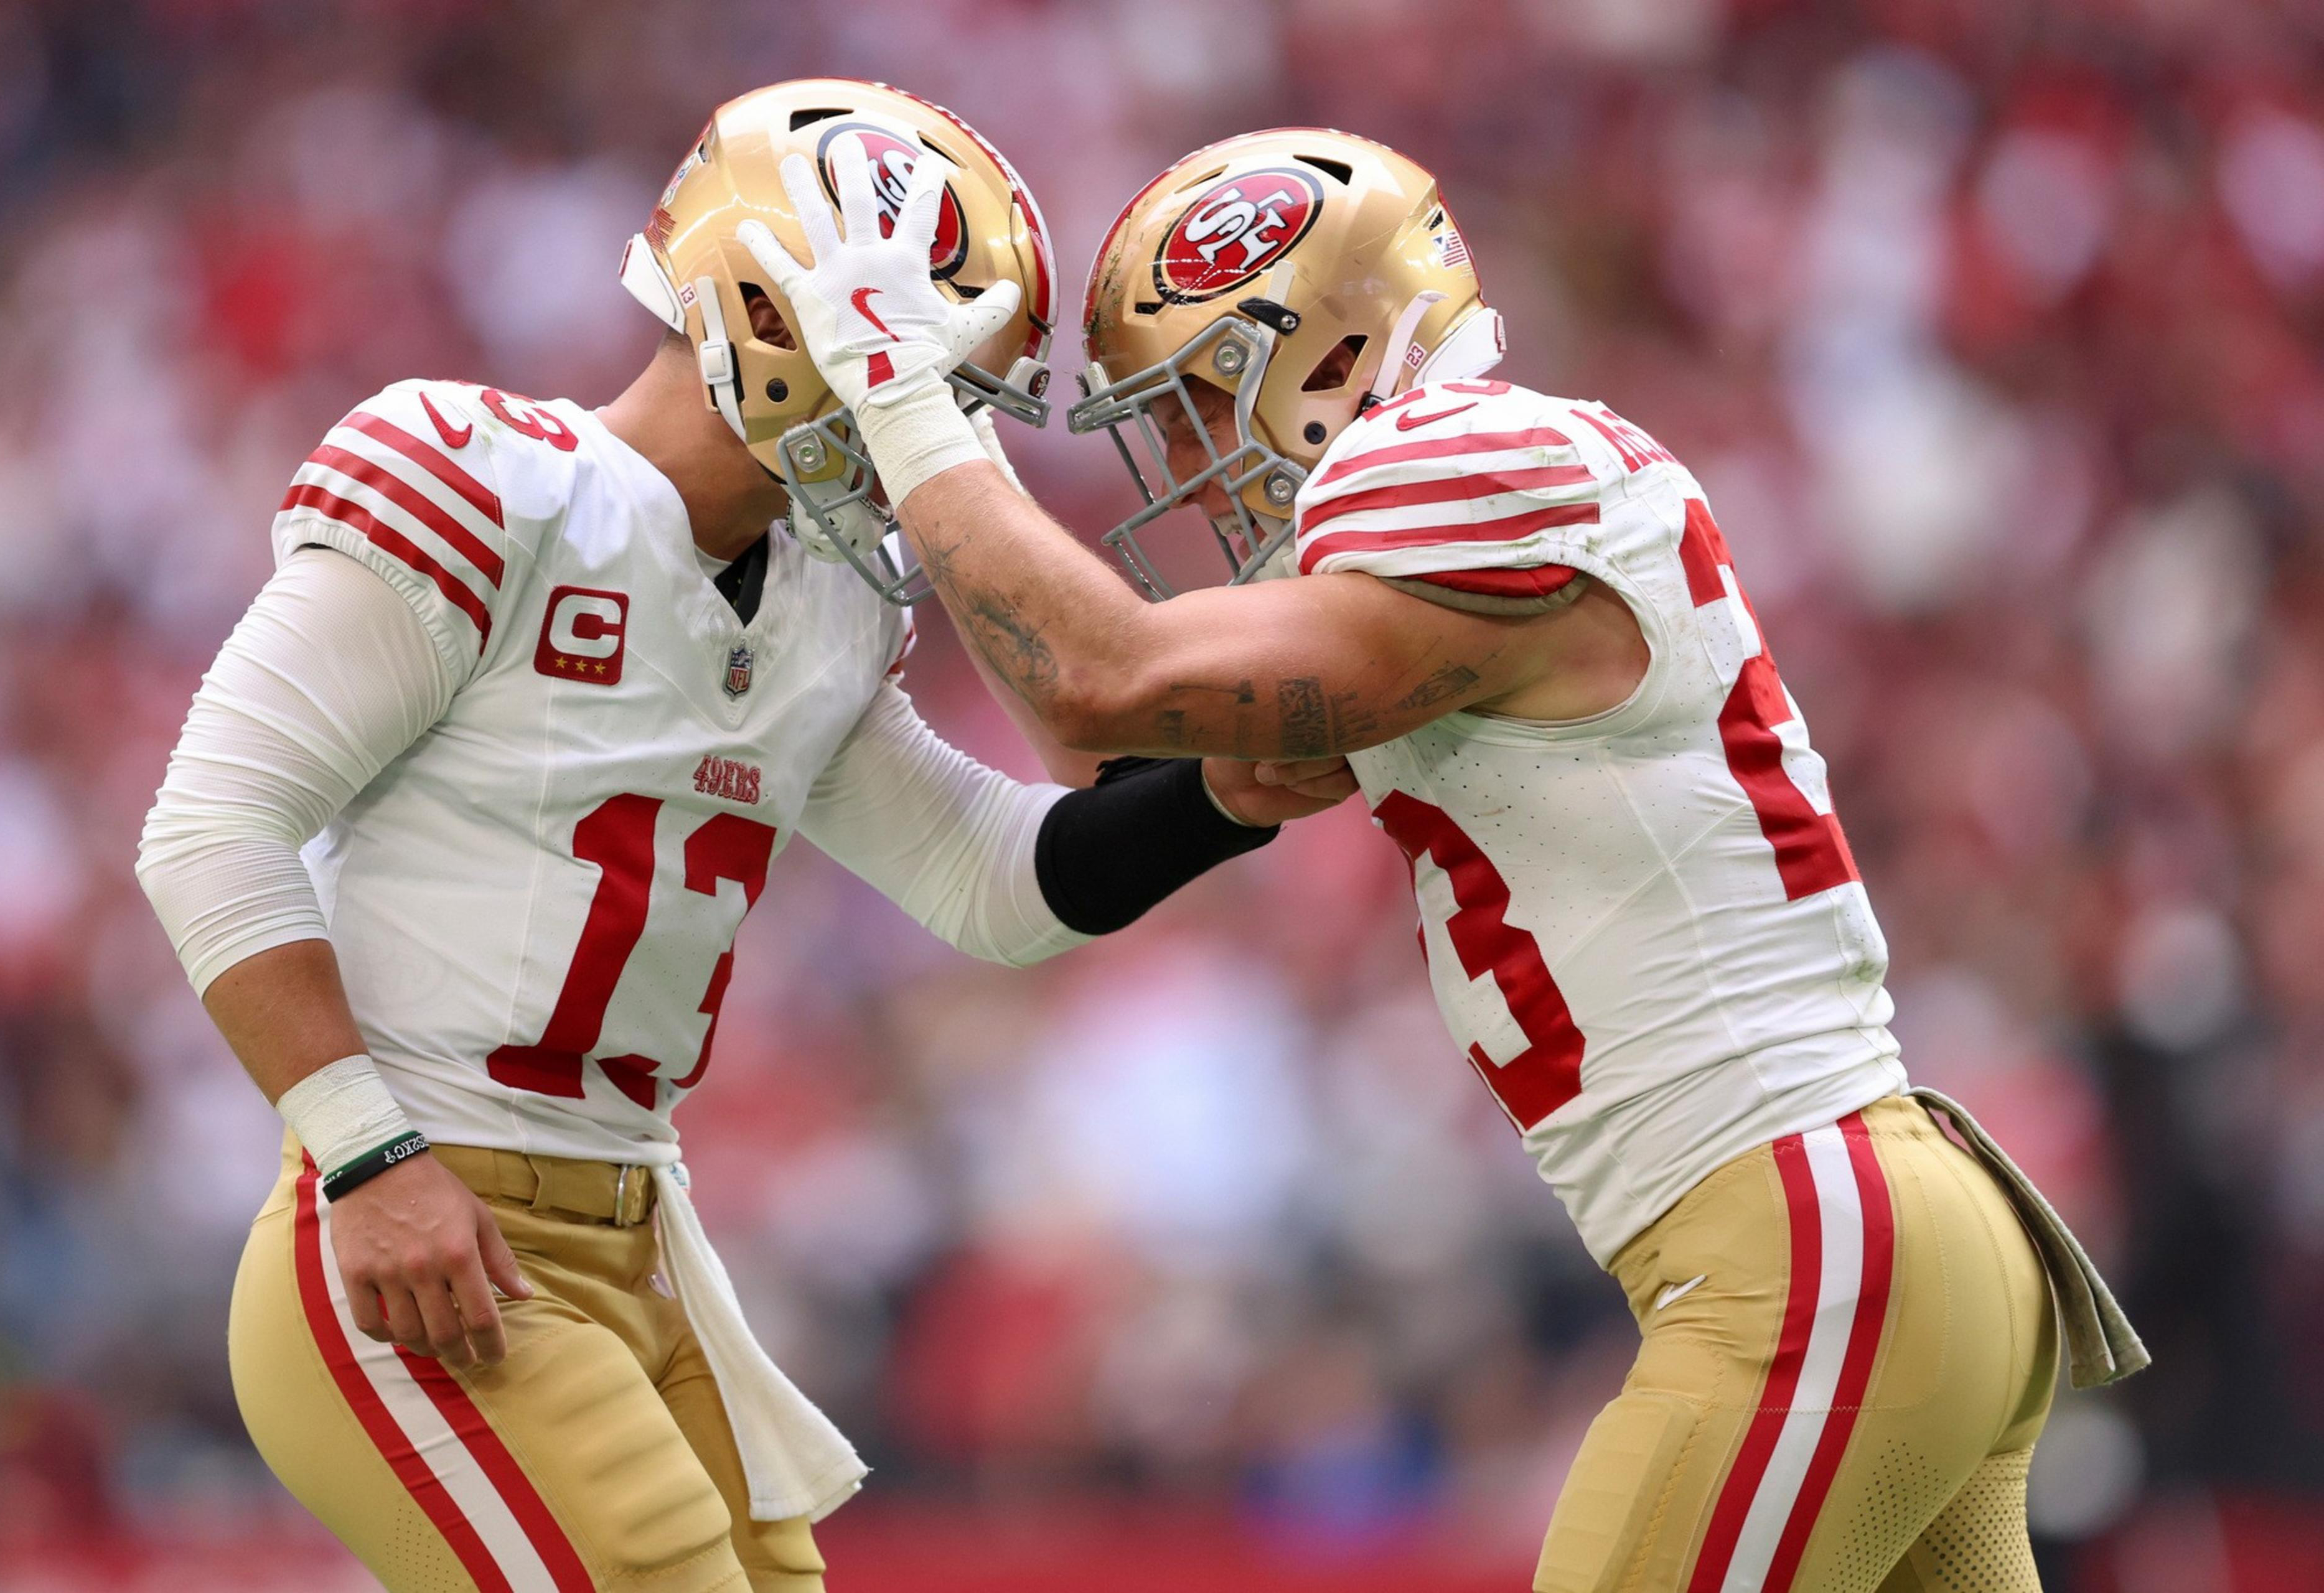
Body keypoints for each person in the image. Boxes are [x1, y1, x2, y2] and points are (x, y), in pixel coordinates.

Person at [740, 125, 2148, 1592]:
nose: (1180, 468)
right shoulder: (1474, 540)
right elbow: (1098, 779)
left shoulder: (1447, 461)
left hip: (1805, 1246)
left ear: (1333, 355)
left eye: (1197, 404)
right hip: (1886, 1228)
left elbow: (1095, 676)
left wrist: (904, 406)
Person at [134, 83, 1352, 1593]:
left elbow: (984, 877)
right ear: (778, 312)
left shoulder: (830, 596)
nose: (939, 429)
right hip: (423, 1231)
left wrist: (1221, 803)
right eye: (920, 371)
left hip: (635, 1240)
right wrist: (368, 1153)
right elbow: (208, 826)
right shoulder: (491, 479)